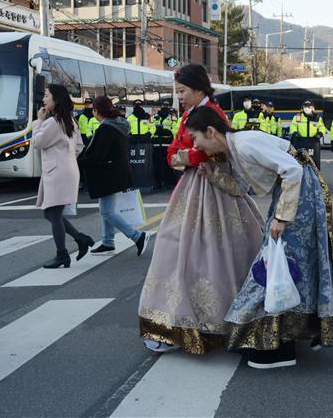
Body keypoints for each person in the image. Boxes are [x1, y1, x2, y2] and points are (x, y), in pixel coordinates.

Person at [184, 106, 333, 369]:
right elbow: (241, 189)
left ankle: (279, 344)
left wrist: (282, 218)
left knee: (279, 263)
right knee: (293, 264)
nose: (196, 144)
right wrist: (214, 176)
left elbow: (292, 170)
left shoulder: (245, 144)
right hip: (293, 194)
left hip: (300, 193)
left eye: (196, 137)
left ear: (210, 131)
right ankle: (293, 335)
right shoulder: (234, 151)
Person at [138, 64, 265, 355]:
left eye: (182, 91)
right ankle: (175, 322)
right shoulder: (190, 114)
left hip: (213, 189)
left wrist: (186, 157)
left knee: (205, 256)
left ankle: (201, 323)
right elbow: (175, 153)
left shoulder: (214, 115)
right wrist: (185, 157)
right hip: (193, 188)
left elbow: (209, 153)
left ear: (198, 89)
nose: (179, 96)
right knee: (181, 252)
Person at [33, 84, 94, 269]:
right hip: (66, 169)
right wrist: (66, 158)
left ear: (56, 99)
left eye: (46, 95)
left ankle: (62, 254)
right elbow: (79, 146)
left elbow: (37, 142)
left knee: (53, 213)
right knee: (50, 213)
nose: (44, 99)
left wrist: (39, 121)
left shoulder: (52, 122)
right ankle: (80, 239)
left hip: (57, 171)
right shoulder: (70, 120)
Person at [78, 96, 146, 256]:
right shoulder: (118, 125)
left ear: (96, 111)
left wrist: (79, 161)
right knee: (106, 209)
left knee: (107, 211)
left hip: (109, 174)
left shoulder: (106, 128)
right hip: (115, 172)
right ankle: (108, 242)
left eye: (93, 109)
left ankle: (137, 236)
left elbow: (99, 155)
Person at [289, 101, 327, 168]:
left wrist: (319, 134)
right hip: (300, 141)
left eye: (309, 106)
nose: (307, 108)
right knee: (300, 162)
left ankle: (316, 177)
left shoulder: (317, 117)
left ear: (312, 108)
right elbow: (293, 126)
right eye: (305, 106)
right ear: (302, 107)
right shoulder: (298, 116)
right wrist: (295, 133)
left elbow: (322, 127)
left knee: (314, 163)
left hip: (313, 142)